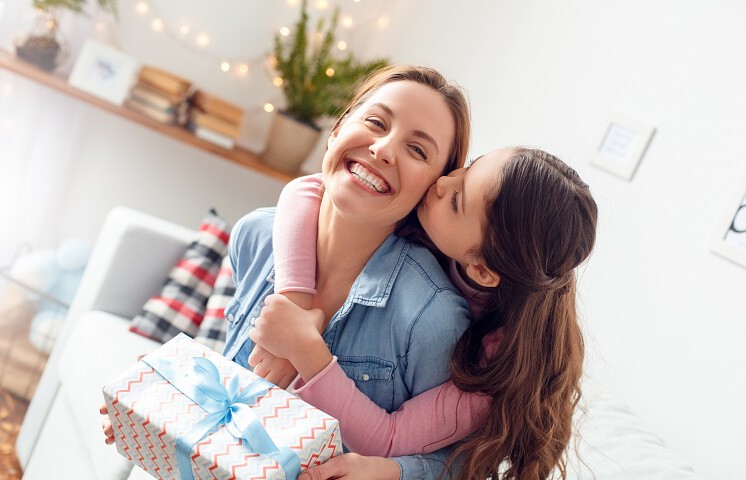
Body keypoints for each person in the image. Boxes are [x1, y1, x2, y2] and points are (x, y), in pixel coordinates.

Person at [249, 147, 598, 480]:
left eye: (457, 201)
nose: (443, 182)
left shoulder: (495, 363)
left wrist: (304, 349)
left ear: (482, 271)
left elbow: (388, 440)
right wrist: (295, 303)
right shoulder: (440, 218)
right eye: (469, 167)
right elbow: (310, 187)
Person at [222, 65, 475, 479]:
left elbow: (461, 466)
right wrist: (162, 394)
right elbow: (223, 383)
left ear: (433, 189)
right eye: (376, 122)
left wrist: (390, 473)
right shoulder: (256, 235)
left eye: (418, 150)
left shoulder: (432, 317)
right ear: (338, 129)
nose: (383, 149)